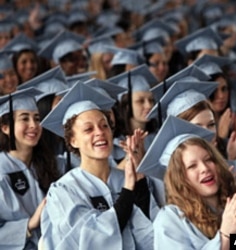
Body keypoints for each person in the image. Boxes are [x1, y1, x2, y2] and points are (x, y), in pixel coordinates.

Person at [39, 81, 158, 249]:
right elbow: (90, 241)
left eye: (104, 125)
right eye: (88, 129)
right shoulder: (64, 190)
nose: (100, 132)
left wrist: (139, 181)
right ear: (73, 140)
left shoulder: (126, 178)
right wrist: (128, 190)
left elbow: (153, 233)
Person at [137, 115, 236, 250]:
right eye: (192, 166)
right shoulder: (170, 221)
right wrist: (225, 235)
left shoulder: (235, 203)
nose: (204, 168)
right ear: (179, 178)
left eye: (208, 159)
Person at [0, 88, 60, 249]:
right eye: (24, 119)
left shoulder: (48, 163)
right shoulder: (1, 170)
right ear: (5, 127)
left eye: (37, 118)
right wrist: (30, 224)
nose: (33, 125)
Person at [108, 64, 158, 165]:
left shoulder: (158, 137)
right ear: (126, 105)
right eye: (140, 101)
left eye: (151, 100)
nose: (149, 105)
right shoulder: (115, 144)